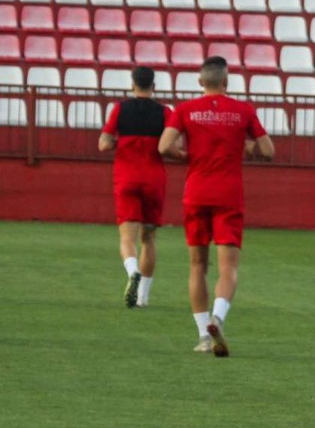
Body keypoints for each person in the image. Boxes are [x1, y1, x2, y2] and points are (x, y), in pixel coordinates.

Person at [158, 57, 274, 357]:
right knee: (228, 267)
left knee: (197, 265)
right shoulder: (243, 110)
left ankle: (203, 336)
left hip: (196, 192)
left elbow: (163, 147)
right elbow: (268, 150)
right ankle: (218, 318)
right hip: (228, 195)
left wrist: (187, 155)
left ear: (200, 82)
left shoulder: (185, 110)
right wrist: (245, 146)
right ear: (227, 81)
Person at [97, 66, 172, 309]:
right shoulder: (165, 112)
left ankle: (132, 271)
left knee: (126, 237)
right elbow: (171, 145)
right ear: (154, 86)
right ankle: (143, 297)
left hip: (126, 177)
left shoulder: (120, 109)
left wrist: (121, 141)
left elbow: (103, 144)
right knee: (148, 239)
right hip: (153, 179)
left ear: (133, 85)